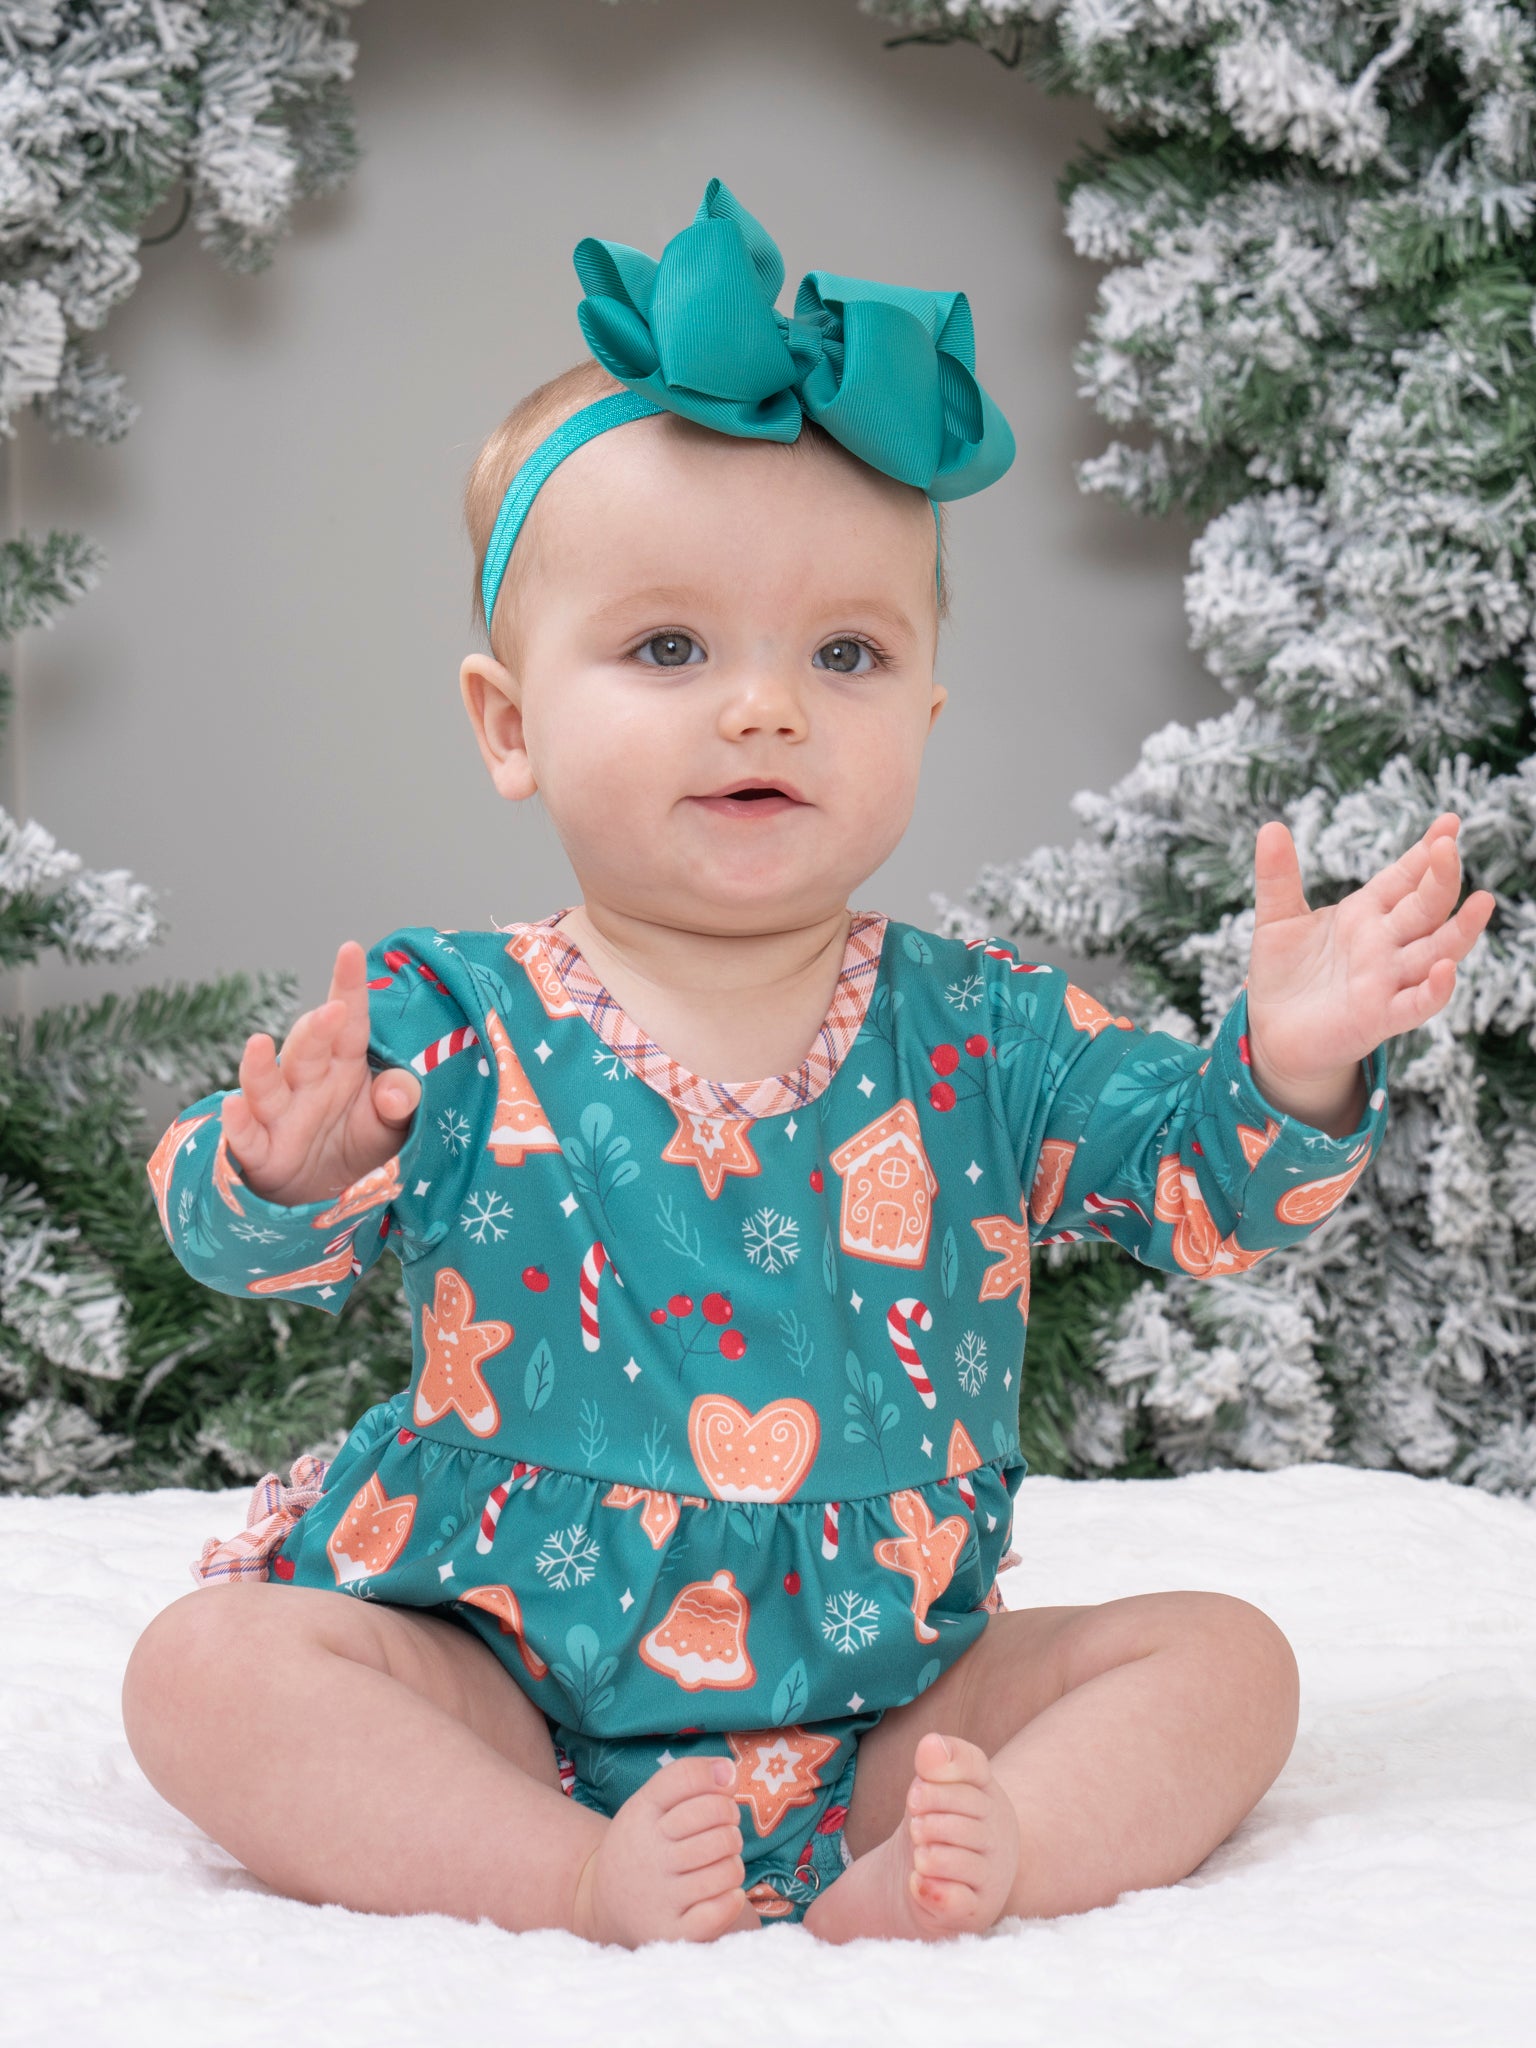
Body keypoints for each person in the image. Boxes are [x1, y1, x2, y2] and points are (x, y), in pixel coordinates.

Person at [120, 177, 1494, 1950]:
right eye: (669, 647)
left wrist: (1289, 1066)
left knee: (1227, 1662)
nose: (765, 704)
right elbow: (226, 1238)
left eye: (846, 653)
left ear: (921, 715)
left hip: (888, 1701)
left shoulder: (987, 1032)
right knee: (205, 1671)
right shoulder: (445, 1014)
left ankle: (974, 1862)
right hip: (502, 1680)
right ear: (511, 725)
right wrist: (282, 1171)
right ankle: (562, 1878)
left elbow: (1210, 1202)